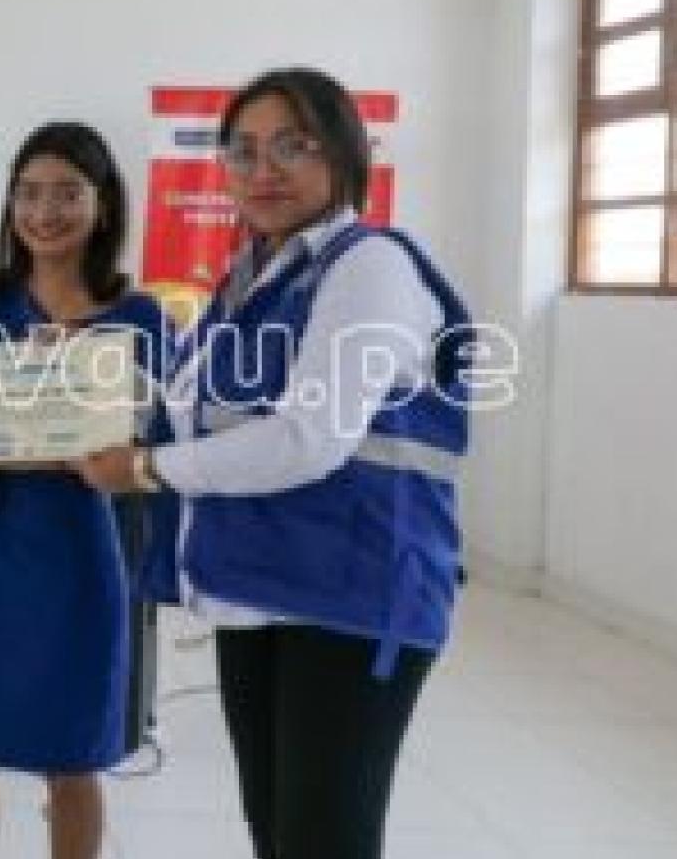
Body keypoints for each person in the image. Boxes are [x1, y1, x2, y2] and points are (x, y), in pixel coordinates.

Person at [75, 68, 475, 859]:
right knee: (276, 830)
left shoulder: (368, 266)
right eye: (244, 151)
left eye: (293, 147)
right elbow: (189, 407)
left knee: (323, 840)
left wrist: (148, 469)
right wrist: (60, 393)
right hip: (262, 588)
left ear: (345, 153)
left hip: (353, 599)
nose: (264, 171)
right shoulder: (253, 278)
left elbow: (310, 437)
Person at [0, 122, 173, 859]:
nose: (45, 212)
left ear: (103, 204)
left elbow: (163, 442)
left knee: (74, 751)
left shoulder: (139, 318)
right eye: (29, 193)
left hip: (87, 543)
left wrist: (115, 435)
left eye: (68, 193)